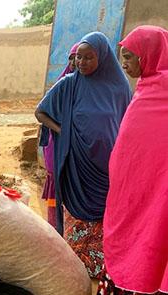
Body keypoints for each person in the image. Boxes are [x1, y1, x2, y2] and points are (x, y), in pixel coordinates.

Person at [89, 26, 168, 295]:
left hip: (153, 196)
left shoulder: (162, 92)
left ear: (148, 56)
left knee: (143, 249)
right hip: (130, 194)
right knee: (124, 247)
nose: (125, 64)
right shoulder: (148, 88)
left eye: (129, 57)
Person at [34, 32, 132, 278]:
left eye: (89, 57)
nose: (82, 62)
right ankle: (74, 273)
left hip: (108, 168)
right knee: (75, 218)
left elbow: (127, 124)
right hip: (77, 165)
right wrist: (64, 132)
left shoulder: (119, 88)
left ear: (103, 58)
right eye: (79, 57)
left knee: (105, 218)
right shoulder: (69, 84)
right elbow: (41, 112)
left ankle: (99, 274)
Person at [39, 42, 79, 229]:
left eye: (80, 58)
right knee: (56, 191)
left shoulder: (93, 89)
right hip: (58, 149)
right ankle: (56, 229)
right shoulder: (64, 84)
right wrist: (61, 130)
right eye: (73, 58)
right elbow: (41, 112)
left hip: (80, 151)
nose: (76, 63)